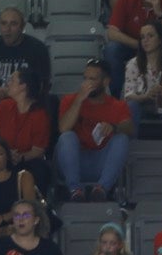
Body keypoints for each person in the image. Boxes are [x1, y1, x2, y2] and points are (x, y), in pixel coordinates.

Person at [56, 60, 134, 202]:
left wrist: (114, 127)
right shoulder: (70, 100)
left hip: (101, 162)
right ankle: (75, 190)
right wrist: (79, 100)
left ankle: (101, 189)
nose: (87, 83)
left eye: (92, 79)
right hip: (73, 161)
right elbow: (63, 128)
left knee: (121, 139)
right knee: (67, 137)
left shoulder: (118, 105)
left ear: (105, 82)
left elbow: (129, 128)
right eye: (85, 78)